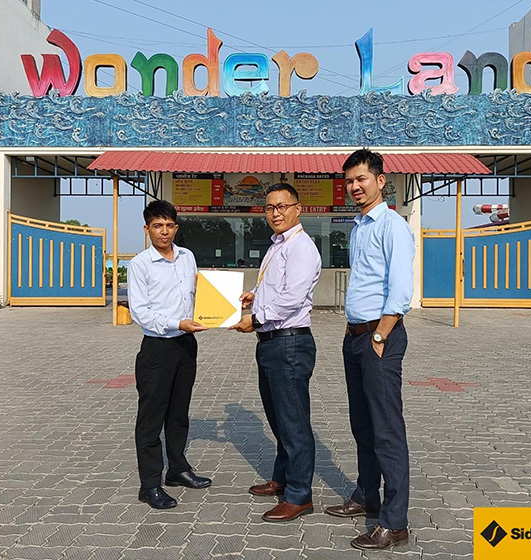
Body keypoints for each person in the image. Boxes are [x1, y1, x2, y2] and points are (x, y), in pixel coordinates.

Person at [324, 149, 415, 550]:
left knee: (386, 430)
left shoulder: (392, 226)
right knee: (362, 425)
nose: (354, 187)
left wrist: (380, 336)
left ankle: (395, 523)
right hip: (356, 337)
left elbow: (400, 288)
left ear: (380, 180)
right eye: (349, 181)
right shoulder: (360, 226)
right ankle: (366, 495)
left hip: (380, 337)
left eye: (361, 179)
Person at [230, 183, 322, 522]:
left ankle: (299, 496)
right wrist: (254, 297)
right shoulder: (277, 245)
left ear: (298, 208)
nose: (276, 213)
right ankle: (282, 478)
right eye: (270, 207)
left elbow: (292, 298)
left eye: (283, 206)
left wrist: (255, 319)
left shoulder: (301, 247)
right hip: (272, 343)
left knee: (294, 422)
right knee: (279, 417)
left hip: (289, 343)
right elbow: (276, 290)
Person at [127, 200, 212, 510]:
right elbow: (140, 312)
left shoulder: (187, 257)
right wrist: (177, 323)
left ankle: (177, 469)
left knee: (178, 413)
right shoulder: (140, 264)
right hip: (158, 348)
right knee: (151, 418)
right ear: (147, 229)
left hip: (186, 344)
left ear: (176, 227)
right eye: (157, 226)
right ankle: (150, 484)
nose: (164, 231)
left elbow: (197, 294)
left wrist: (223, 303)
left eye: (169, 225)